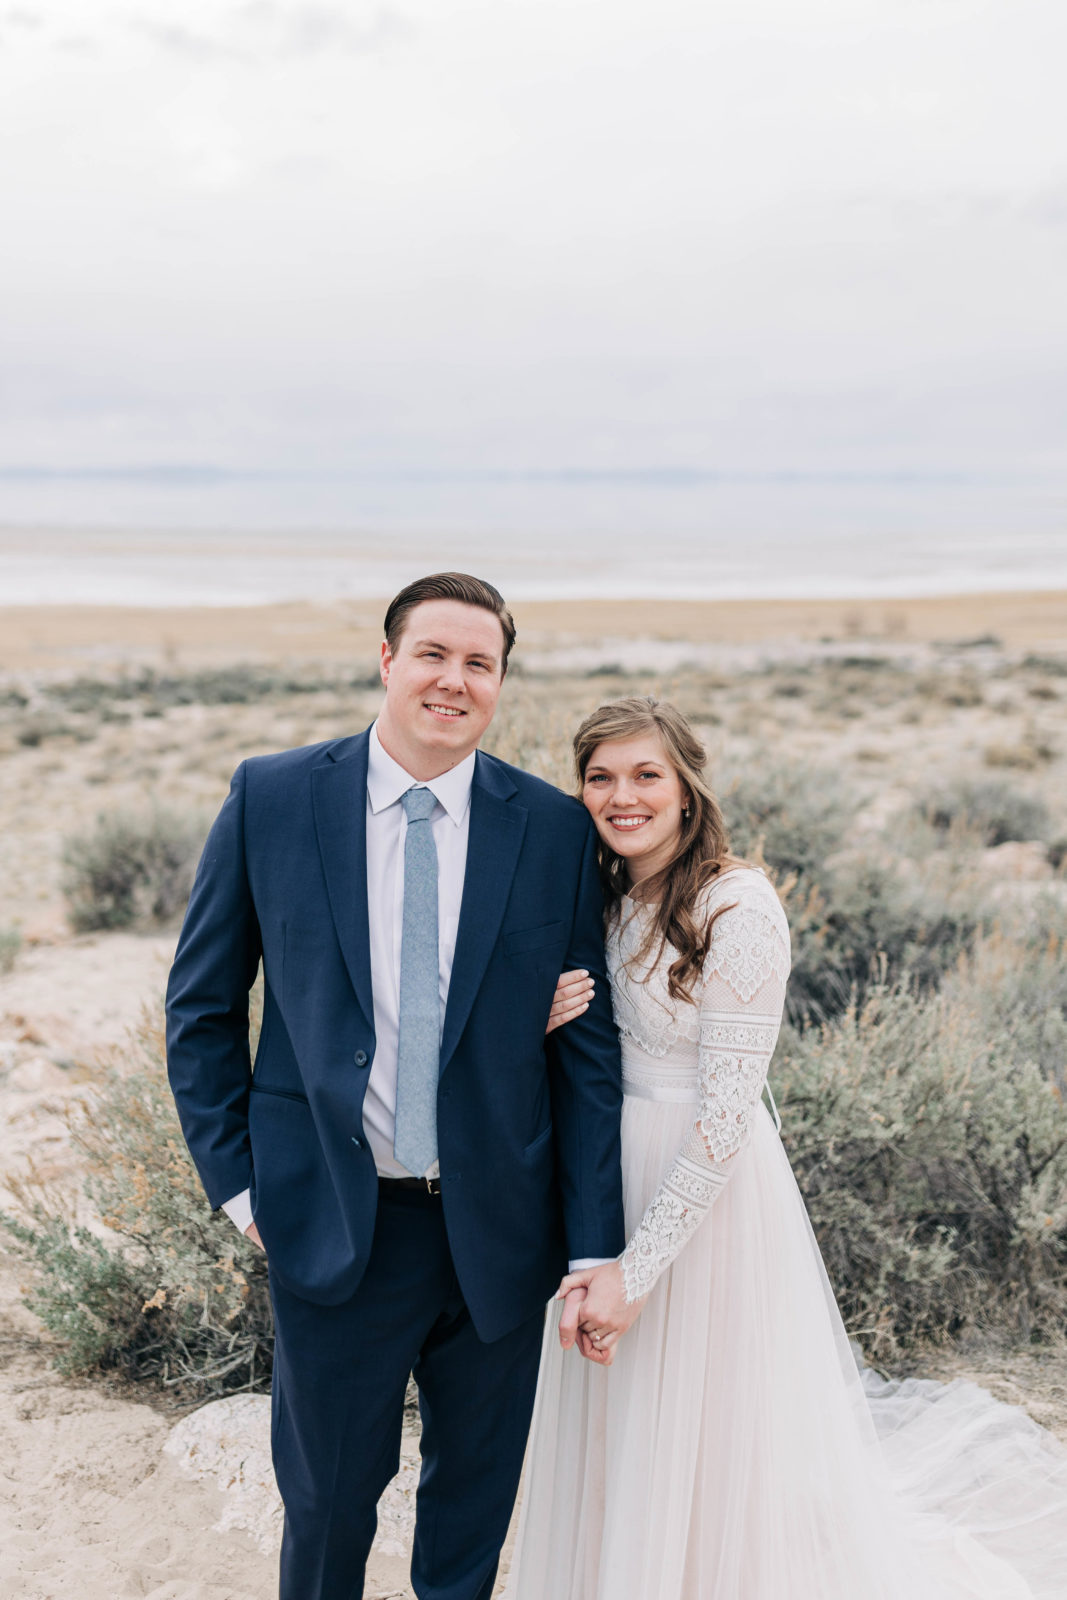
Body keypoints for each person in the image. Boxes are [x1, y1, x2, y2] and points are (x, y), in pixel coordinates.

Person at [507, 696, 1067, 1600]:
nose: (622, 797)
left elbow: (725, 1118)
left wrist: (635, 1270)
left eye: (647, 774)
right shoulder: (598, 898)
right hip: (602, 1177)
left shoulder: (738, 904)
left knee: (711, 1432)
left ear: (687, 790)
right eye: (601, 777)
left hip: (705, 1197)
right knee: (616, 1426)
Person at [165, 572, 625, 1600]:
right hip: (332, 1216)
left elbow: (586, 1055)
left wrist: (594, 1242)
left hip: (499, 1230)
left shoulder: (550, 828)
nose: (452, 681)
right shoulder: (274, 797)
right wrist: (242, 1191)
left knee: (470, 1515)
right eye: (433, 654)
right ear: (386, 660)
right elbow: (200, 1007)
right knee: (326, 1508)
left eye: (479, 663)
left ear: (500, 682)